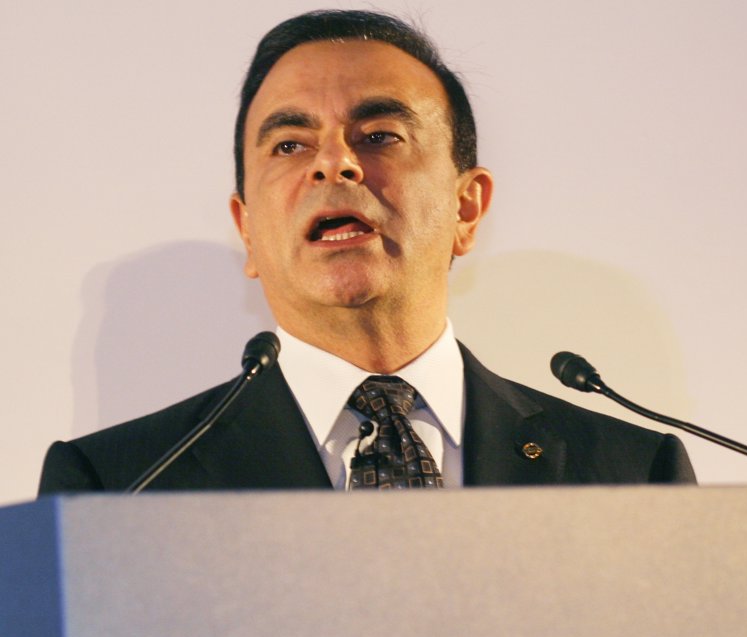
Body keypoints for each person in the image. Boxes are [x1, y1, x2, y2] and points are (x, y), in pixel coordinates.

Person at [38, 10, 694, 494]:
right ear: (248, 231)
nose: (335, 163)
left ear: (466, 208)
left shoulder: (632, 473)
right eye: (290, 145)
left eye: (379, 135)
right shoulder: (119, 487)